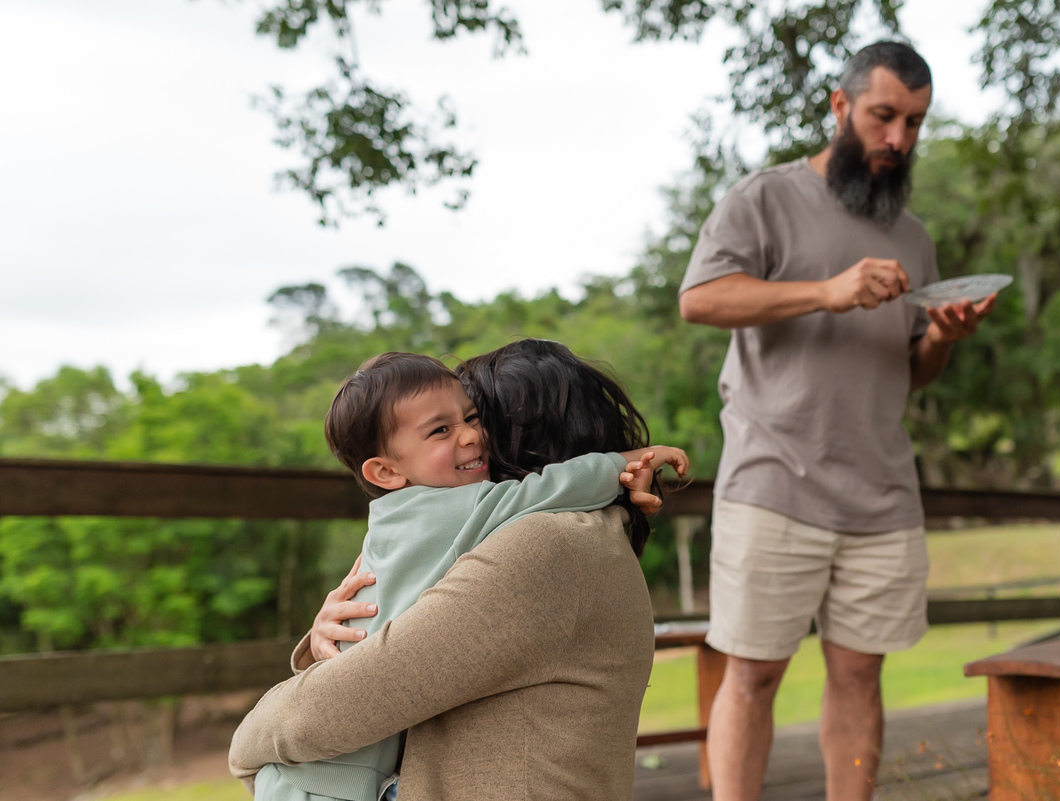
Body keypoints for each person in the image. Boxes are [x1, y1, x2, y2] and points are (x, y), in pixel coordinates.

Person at [677, 41, 995, 801]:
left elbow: (912, 372)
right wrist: (825, 291)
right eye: (885, 116)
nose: (899, 140)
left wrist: (943, 340)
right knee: (752, 673)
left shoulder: (913, 234)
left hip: (881, 493)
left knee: (859, 675)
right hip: (772, 481)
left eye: (915, 123)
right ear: (840, 105)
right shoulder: (764, 198)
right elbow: (701, 299)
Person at [229, 339, 681, 800]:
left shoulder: (546, 545)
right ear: (386, 470)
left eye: (475, 417)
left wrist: (248, 745)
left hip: (333, 771)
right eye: (441, 429)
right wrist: (622, 469)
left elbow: (332, 707)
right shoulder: (570, 536)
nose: (472, 437)